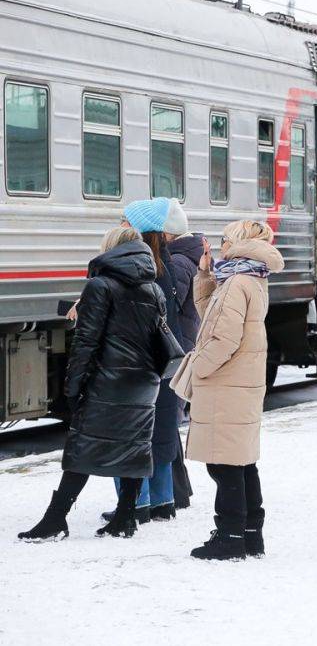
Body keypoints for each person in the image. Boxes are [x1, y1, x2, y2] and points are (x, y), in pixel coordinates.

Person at [18, 228, 164, 541]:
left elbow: (86, 341)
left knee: (82, 449)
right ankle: (126, 517)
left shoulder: (100, 285)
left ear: (111, 249)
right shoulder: (153, 289)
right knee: (133, 448)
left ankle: (56, 519)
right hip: (143, 382)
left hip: (108, 381)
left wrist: (72, 387)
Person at [187, 220, 285, 560]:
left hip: (226, 383)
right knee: (242, 462)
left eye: (225, 240)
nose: (221, 246)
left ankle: (229, 537)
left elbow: (223, 338)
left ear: (239, 242)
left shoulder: (236, 283)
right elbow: (211, 317)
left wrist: (198, 369)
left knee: (224, 463)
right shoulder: (250, 278)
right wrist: (204, 276)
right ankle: (249, 534)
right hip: (240, 380)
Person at [111, 197, 183, 523]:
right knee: (162, 429)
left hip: (140, 363)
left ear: (138, 229)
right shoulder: (165, 266)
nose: (121, 226)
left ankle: (137, 503)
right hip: (165, 360)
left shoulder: (138, 270)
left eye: (125, 221)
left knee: (133, 431)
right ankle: (162, 500)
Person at [164, 199, 200, 510]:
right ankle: (178, 491)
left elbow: (169, 308)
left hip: (178, 345)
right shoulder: (188, 257)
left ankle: (176, 492)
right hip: (185, 342)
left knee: (168, 421)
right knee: (169, 422)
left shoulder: (177, 263)